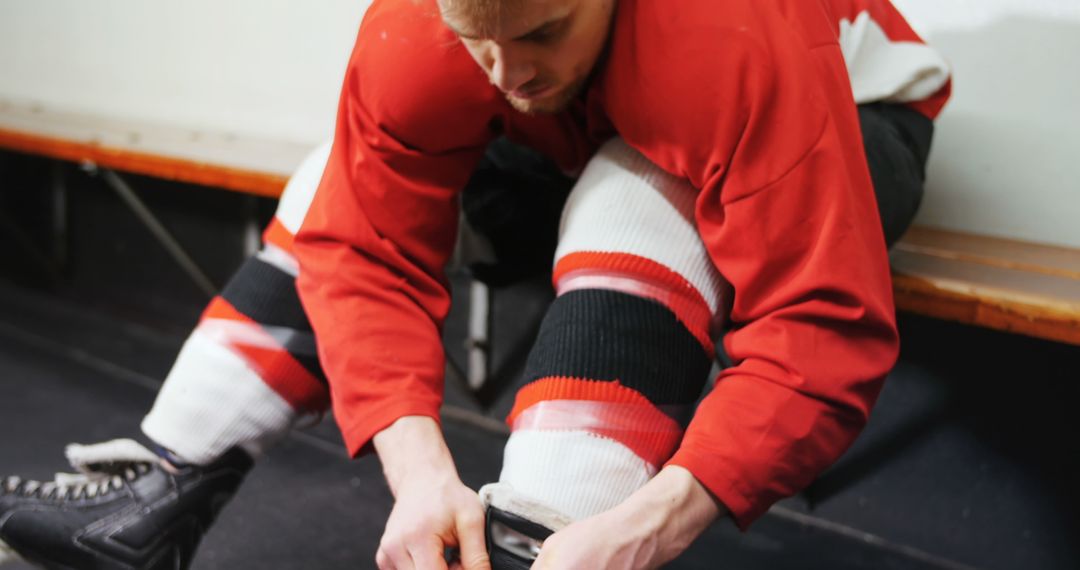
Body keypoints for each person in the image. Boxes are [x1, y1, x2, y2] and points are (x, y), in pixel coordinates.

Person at [0, 0, 951, 568]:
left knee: (642, 186)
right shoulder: (427, 29)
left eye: (540, 28)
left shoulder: (731, 35)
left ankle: (537, 539)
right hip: (595, 116)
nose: (508, 72)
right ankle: (156, 490)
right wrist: (419, 479)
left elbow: (821, 324)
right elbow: (364, 249)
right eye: (478, 38)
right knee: (334, 170)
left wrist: (652, 525)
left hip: (855, 119)